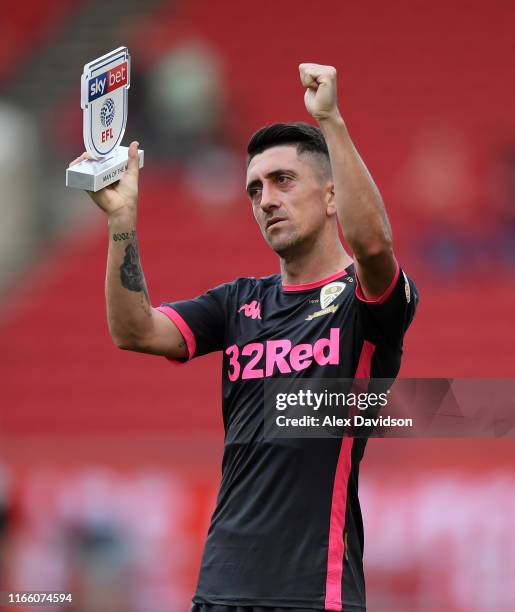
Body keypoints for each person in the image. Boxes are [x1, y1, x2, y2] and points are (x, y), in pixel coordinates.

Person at [70, 63, 418, 612]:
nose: (266, 200)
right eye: (254, 190)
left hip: (312, 591)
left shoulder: (362, 302)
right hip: (221, 584)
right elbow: (134, 330)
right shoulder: (235, 303)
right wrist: (122, 220)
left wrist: (330, 120)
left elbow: (374, 248)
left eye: (284, 181)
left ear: (331, 198)